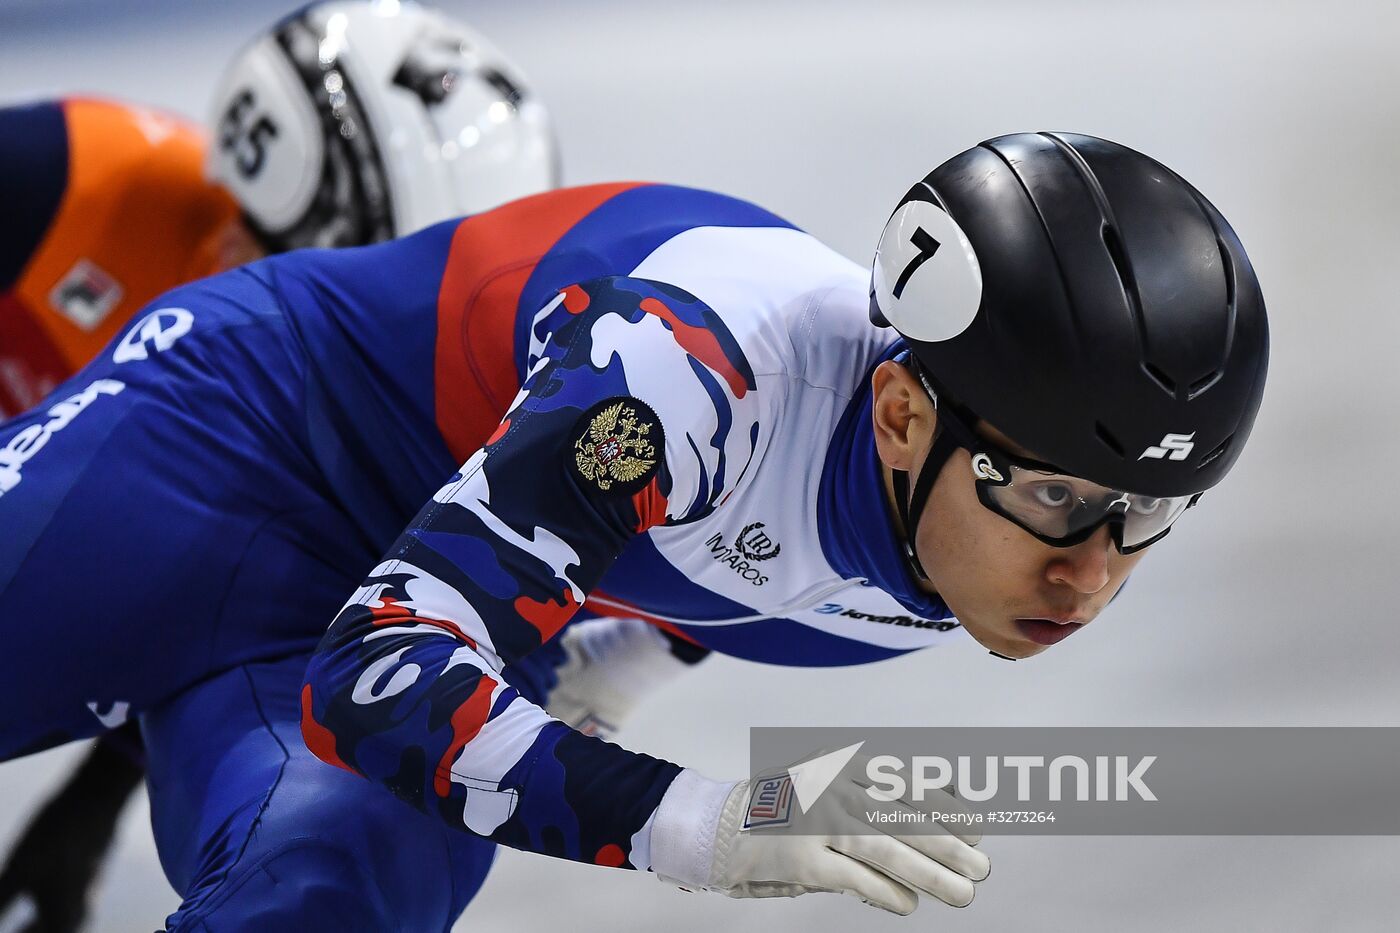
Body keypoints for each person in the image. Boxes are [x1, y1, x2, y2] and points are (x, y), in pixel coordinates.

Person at [0, 131, 1268, 930]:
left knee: (327, 900)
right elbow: (381, 681)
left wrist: (596, 661)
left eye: (1145, 515)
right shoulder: (687, 371)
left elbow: (703, 580)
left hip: (426, 585)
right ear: (895, 412)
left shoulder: (966, 531)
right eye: (1052, 496)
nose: (1090, 575)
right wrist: (716, 826)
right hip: (232, 443)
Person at [0, 3, 572, 929]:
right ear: (241, 197)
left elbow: (220, 608)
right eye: (321, 284)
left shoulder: (393, 416)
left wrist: (92, 799)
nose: (333, 330)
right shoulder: (76, 183)